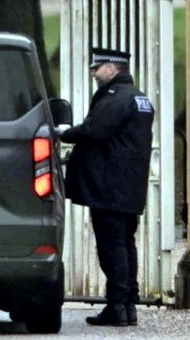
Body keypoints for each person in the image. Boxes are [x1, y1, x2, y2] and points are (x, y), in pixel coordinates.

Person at [56, 47, 154, 327]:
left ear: (111, 68)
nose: (93, 73)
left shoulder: (116, 97)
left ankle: (117, 307)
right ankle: (127, 305)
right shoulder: (139, 98)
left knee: (112, 247)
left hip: (110, 185)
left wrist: (64, 133)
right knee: (125, 244)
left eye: (96, 68)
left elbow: (94, 130)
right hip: (129, 185)